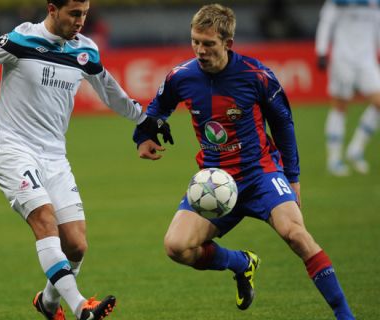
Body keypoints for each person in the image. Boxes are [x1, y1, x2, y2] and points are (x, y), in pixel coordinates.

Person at [0, 1, 171, 320]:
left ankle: (47, 303)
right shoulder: (21, 40)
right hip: (12, 148)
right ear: (52, 9)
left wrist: (143, 120)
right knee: (45, 220)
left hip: (55, 156)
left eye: (84, 13)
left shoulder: (85, 50)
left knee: (76, 246)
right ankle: (80, 308)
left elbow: (110, 92)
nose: (80, 21)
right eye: (74, 13)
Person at [133, 4, 355, 320]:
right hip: (215, 184)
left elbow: (283, 125)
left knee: (297, 236)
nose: (200, 50)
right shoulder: (181, 77)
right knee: (176, 247)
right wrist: (143, 137)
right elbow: (156, 109)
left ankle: (346, 316)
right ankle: (240, 263)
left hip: (261, 174)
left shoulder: (257, 76)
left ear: (228, 44)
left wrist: (292, 178)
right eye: (195, 41)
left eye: (208, 43)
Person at [315, 0, 380, 176]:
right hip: (343, 59)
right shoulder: (337, 2)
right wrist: (321, 51)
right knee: (340, 107)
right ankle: (334, 159)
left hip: (367, 60)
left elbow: (377, 26)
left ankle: (356, 149)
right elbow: (326, 22)